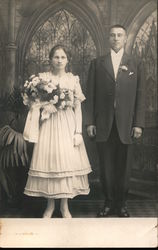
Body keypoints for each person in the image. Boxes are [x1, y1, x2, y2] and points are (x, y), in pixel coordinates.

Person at [22, 45, 92, 218]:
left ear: (67, 60)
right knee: (50, 162)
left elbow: (78, 108)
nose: (59, 60)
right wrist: (45, 105)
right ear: (50, 59)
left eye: (63, 57)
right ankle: (50, 205)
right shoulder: (42, 79)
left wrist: (78, 132)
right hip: (48, 124)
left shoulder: (72, 79)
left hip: (67, 125)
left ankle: (64, 206)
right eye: (56, 57)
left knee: (65, 163)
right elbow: (33, 103)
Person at [86, 24, 145, 217]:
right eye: (112, 35)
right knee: (106, 166)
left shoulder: (136, 64)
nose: (116, 38)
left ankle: (122, 204)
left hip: (127, 124)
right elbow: (91, 95)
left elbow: (140, 95)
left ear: (125, 38)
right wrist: (90, 122)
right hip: (103, 124)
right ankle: (108, 203)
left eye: (120, 35)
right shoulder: (97, 63)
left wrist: (138, 123)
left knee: (124, 166)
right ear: (108, 39)